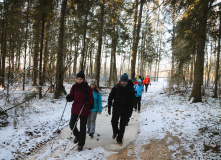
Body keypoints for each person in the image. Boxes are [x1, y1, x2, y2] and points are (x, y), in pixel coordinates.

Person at [66, 70, 94, 151]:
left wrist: (87, 100)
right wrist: (69, 98)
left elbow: (91, 100)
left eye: (80, 79)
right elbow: (71, 97)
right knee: (72, 124)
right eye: (77, 79)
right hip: (75, 109)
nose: (79, 81)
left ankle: (81, 144)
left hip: (84, 110)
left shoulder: (87, 88)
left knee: (82, 128)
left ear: (83, 79)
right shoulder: (74, 87)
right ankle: (77, 136)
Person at [108, 73, 135, 145]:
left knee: (122, 124)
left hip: (125, 109)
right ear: (120, 81)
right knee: (114, 122)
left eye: (124, 81)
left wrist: (130, 112)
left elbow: (132, 101)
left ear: (127, 81)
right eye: (122, 81)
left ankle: (119, 139)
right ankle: (115, 132)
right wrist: (109, 107)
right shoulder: (116, 88)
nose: (123, 83)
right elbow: (110, 97)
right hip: (116, 108)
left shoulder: (130, 89)